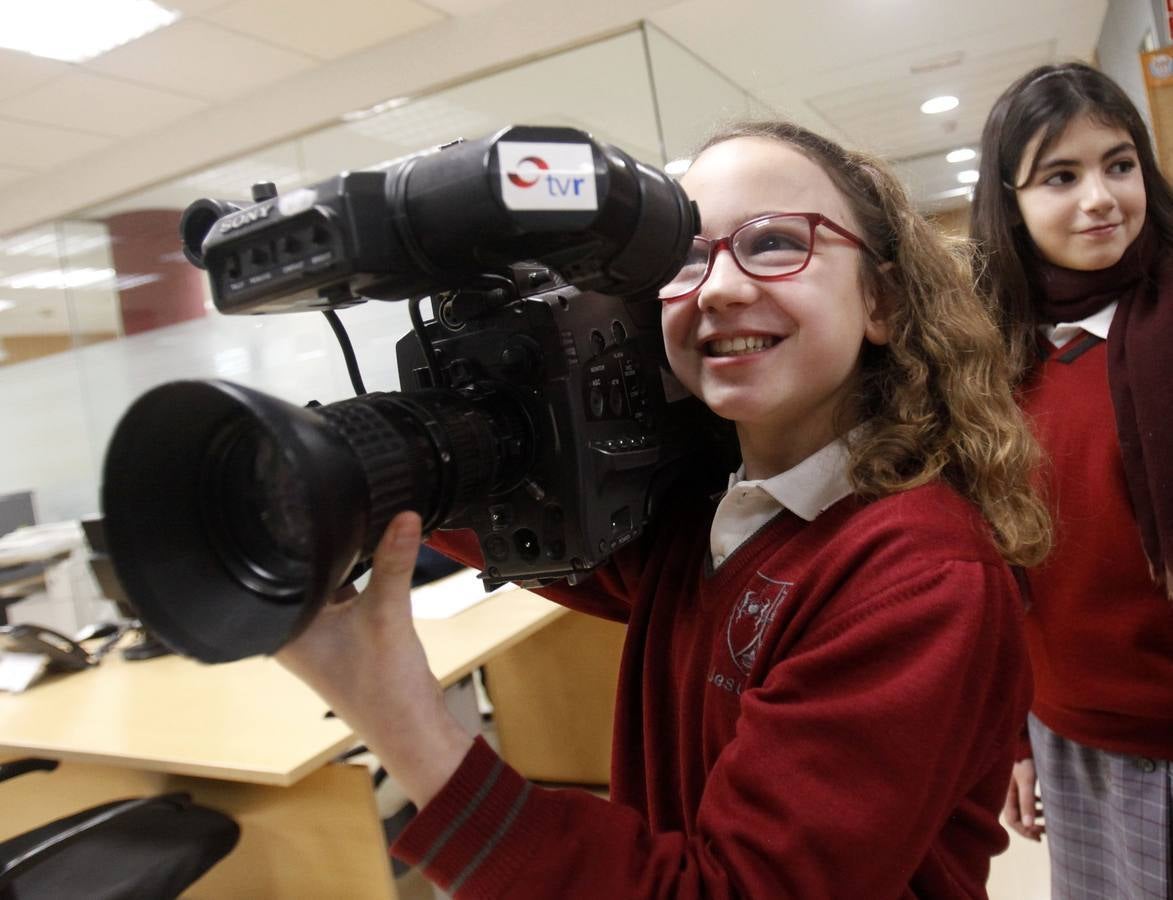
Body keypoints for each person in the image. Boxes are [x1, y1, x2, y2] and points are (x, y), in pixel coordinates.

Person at [278, 119, 1051, 898]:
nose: (718, 287)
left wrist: (401, 722)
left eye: (775, 243)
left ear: (879, 299)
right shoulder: (709, 518)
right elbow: (508, 510)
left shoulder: (915, 576)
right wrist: (327, 477)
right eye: (682, 258)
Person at [970, 62, 1173, 900]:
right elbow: (999, 573)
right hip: (1069, 733)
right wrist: (1014, 739)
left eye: (1118, 164)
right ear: (1009, 203)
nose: (1100, 199)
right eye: (1060, 177)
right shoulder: (994, 362)